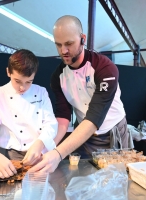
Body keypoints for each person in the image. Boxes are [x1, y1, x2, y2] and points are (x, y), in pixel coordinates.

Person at [28, 15, 131, 173]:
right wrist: (48, 147)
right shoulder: (58, 77)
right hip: (83, 135)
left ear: (83, 38)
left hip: (113, 132)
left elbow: (94, 117)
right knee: (82, 177)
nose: (64, 51)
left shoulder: (105, 68)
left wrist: (58, 153)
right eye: (58, 45)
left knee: (117, 180)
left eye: (69, 44)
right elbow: (63, 117)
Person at [0, 49, 58, 178]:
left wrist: (39, 144)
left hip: (41, 153)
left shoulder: (41, 92)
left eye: (29, 82)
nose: (22, 88)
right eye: (17, 81)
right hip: (13, 157)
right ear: (8, 72)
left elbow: (50, 124)